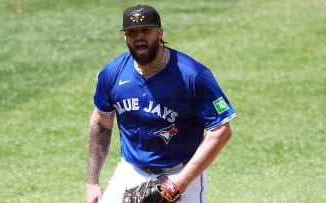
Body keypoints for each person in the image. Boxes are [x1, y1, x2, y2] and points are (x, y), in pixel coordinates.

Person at [85, 4, 237, 203]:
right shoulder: (112, 73)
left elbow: (221, 131)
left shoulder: (193, 75)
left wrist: (180, 183)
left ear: (159, 32)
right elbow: (101, 123)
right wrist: (92, 182)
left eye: (145, 30)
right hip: (131, 171)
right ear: (125, 37)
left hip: (181, 172)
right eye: (132, 32)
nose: (139, 37)